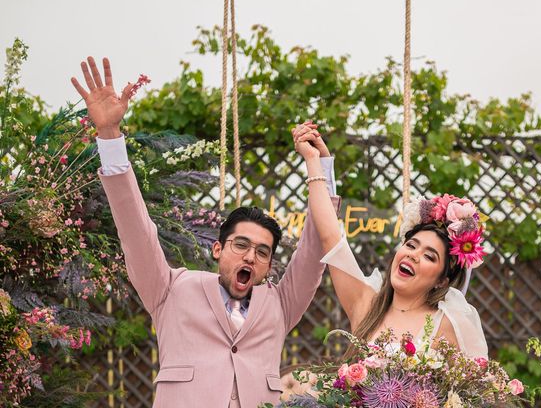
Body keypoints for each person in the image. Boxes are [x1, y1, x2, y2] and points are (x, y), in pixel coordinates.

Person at [71, 57, 340, 408]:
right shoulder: (170, 290)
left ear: (269, 266)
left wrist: (320, 168)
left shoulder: (279, 305)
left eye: (262, 252)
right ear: (217, 249)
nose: (250, 256)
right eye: (241, 245)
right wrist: (109, 136)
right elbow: (135, 232)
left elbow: (315, 250)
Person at [293, 125, 488, 359]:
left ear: (441, 280)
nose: (413, 255)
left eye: (429, 256)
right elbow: (330, 236)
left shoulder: (449, 325)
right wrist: (316, 161)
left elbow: (478, 391)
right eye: (411, 245)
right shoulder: (366, 304)